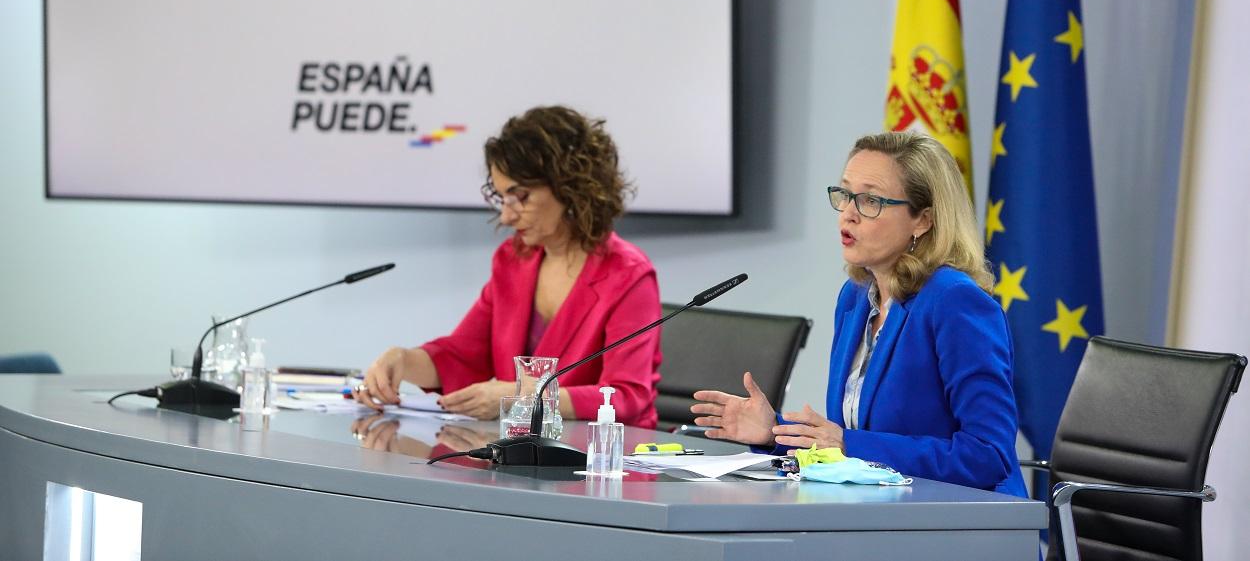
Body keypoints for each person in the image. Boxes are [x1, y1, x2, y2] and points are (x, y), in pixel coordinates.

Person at [691, 131, 1027, 496]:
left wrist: (850, 445)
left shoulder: (955, 302)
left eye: (870, 200)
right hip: (877, 514)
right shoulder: (855, 298)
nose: (848, 215)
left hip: (965, 528)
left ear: (923, 220)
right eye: (846, 195)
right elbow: (845, 441)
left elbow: (989, 456)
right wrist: (773, 430)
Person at [356, 106, 662, 429]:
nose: (506, 216)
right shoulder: (513, 259)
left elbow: (627, 396)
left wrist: (527, 396)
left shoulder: (629, 275)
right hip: (521, 452)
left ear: (570, 187)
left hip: (606, 461)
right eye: (501, 197)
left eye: (521, 197)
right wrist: (402, 361)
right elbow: (462, 355)